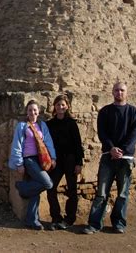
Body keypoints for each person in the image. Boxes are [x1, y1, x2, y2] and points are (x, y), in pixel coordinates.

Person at [82, 82, 136, 234]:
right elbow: (102, 133)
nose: (119, 92)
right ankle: (94, 224)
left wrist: (122, 151)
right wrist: (111, 148)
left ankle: (119, 224)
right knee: (101, 193)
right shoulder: (105, 112)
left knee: (122, 194)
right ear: (112, 92)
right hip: (108, 157)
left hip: (126, 158)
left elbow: (134, 135)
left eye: (122, 90)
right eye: (117, 90)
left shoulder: (134, 112)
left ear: (126, 93)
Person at [9, 99, 57, 230]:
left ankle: (32, 220)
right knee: (48, 183)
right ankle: (22, 187)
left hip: (40, 159)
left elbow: (48, 142)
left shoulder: (42, 126)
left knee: (35, 191)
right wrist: (19, 163)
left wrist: (52, 158)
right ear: (26, 112)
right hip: (29, 160)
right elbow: (17, 145)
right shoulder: (22, 126)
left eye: (35, 110)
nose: (32, 112)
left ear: (38, 111)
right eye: (30, 110)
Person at [46, 94, 84, 230]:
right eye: (58, 105)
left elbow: (78, 144)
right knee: (50, 187)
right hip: (56, 161)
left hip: (70, 160)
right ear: (54, 107)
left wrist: (79, 163)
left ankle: (69, 218)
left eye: (63, 105)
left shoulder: (71, 123)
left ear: (67, 106)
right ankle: (56, 217)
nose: (60, 107)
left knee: (72, 190)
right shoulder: (49, 124)